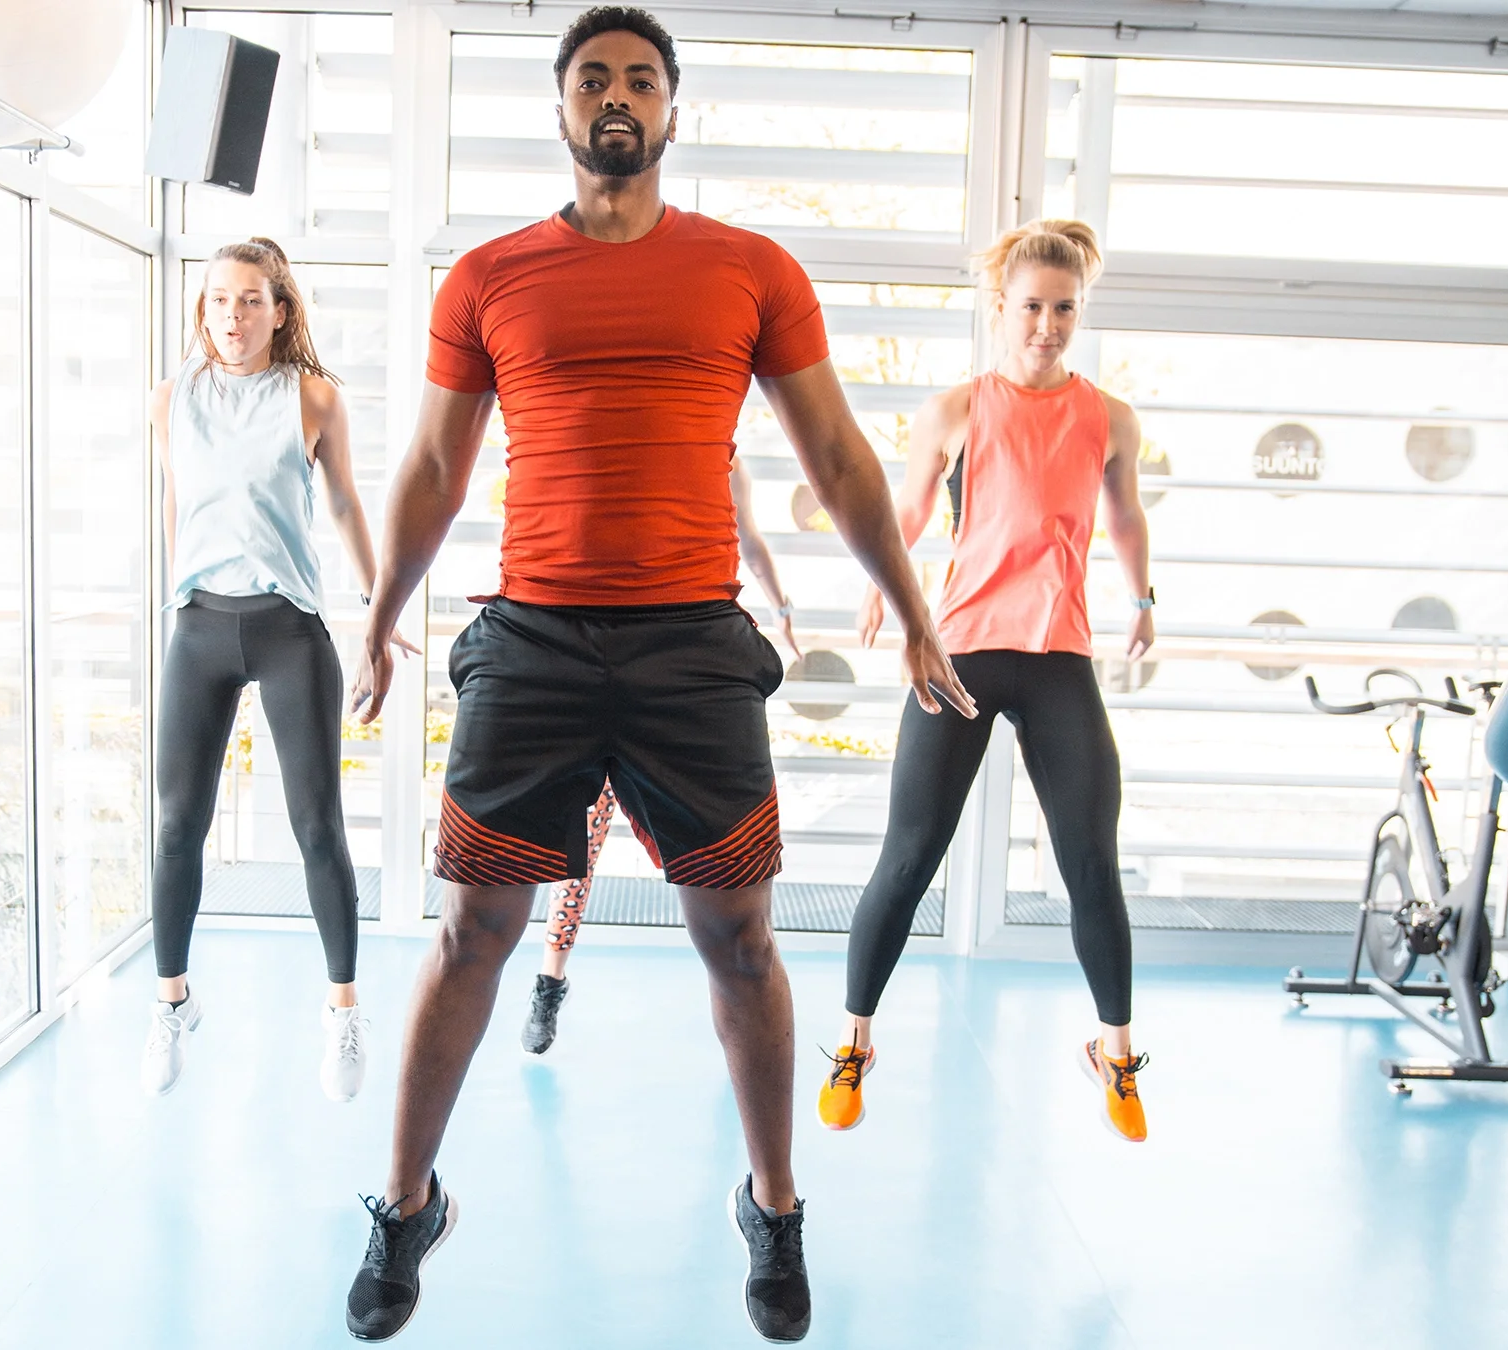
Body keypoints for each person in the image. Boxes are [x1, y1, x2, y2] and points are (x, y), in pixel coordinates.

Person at [339, 9, 972, 1343]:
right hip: (533, 641)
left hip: (693, 645)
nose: (615, 97)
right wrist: (377, 612)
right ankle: (404, 1203)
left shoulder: (749, 268)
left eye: (639, 79)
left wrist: (914, 611)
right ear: (561, 110)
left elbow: (842, 456)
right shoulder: (490, 277)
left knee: (737, 939)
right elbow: (433, 469)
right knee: (473, 930)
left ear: (673, 112)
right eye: (592, 79)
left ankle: (775, 1203)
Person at [829, 219, 1155, 1142]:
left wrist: (1144, 597)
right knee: (910, 853)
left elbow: (1125, 518)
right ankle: (855, 1040)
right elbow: (908, 511)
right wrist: (879, 590)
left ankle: (1116, 1052)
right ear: (998, 308)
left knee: (1091, 861)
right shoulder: (957, 410)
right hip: (960, 653)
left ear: (1078, 312)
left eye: (1064, 309)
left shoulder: (1110, 418)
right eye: (1031, 307)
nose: (1046, 325)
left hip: (1059, 657)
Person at [143, 239, 408, 1101]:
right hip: (200, 628)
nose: (232, 316)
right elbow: (179, 503)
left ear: (280, 311)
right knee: (178, 824)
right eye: (219, 300)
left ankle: (342, 1013)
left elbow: (343, 503)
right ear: (204, 309)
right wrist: (174, 598)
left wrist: (379, 608)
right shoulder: (170, 400)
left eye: (251, 300)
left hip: (289, 630)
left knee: (316, 827)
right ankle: (172, 1002)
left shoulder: (314, 398)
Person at [519, 460, 801, 1054]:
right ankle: (549, 981)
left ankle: (736, 1002)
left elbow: (749, 538)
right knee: (579, 854)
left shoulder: (727, 469)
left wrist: (781, 607)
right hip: (588, 671)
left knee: (720, 879)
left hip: (681, 682)